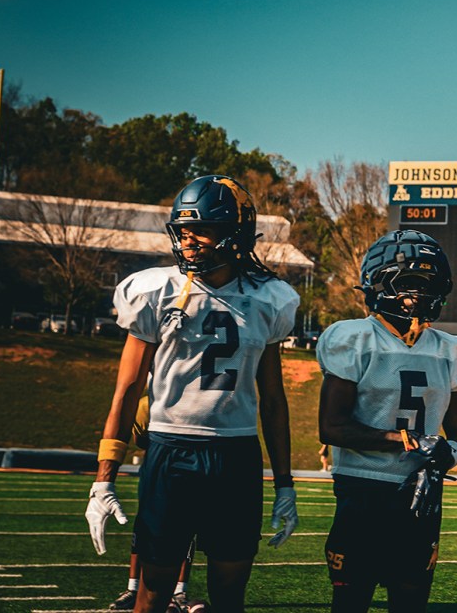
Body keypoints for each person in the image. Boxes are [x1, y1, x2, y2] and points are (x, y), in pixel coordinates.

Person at [86, 174, 300, 613]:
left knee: (229, 592)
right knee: (153, 590)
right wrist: (103, 478)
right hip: (171, 448)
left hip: (236, 453)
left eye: (201, 229)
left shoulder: (269, 298)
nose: (189, 241)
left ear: (235, 233)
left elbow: (274, 401)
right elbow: (126, 391)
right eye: (182, 231)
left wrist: (284, 483)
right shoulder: (156, 290)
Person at [316, 229, 457, 613]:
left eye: (426, 285)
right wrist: (406, 440)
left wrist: (447, 453)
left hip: (421, 494)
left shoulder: (449, 350)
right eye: (407, 283)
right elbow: (331, 428)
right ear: (379, 283)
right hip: (362, 489)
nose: (416, 295)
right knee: (351, 600)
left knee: (411, 600)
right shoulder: (353, 338)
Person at [108, 395, 197, 613]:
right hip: (163, 464)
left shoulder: (163, 399)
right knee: (148, 527)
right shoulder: (150, 401)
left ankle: (177, 591)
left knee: (184, 528)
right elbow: (140, 439)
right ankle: (137, 588)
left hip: (180, 463)